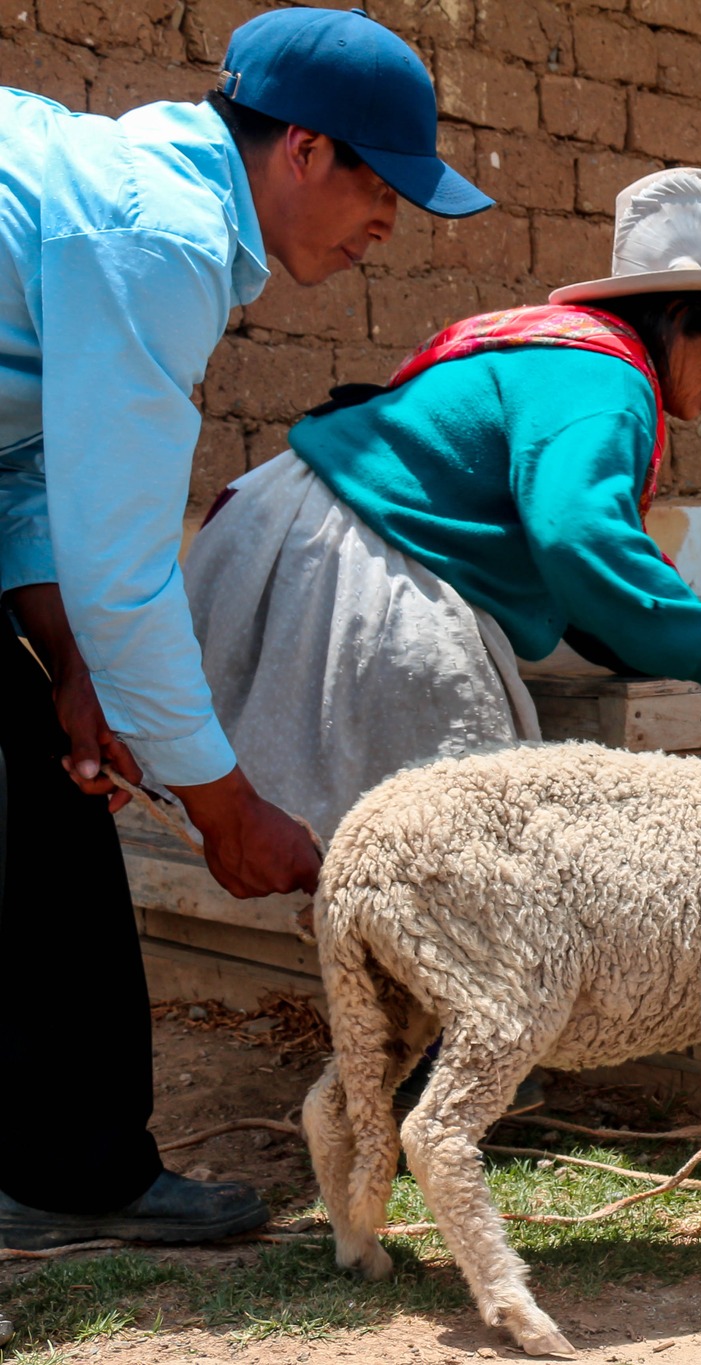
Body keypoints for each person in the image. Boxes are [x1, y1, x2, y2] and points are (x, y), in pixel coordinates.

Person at [0, 7, 488, 1250]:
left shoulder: (148, 210)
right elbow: (122, 568)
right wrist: (227, 812)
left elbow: (24, 474)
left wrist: (71, 669)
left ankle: (72, 1169)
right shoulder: (153, 235)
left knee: (46, 800)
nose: (390, 226)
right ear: (305, 151)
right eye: (382, 187)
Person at [184, 168, 701, 844]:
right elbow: (579, 534)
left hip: (283, 535)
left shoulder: (555, 352)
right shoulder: (612, 380)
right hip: (361, 573)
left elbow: (573, 563)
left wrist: (664, 632)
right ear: (681, 321)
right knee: (454, 853)